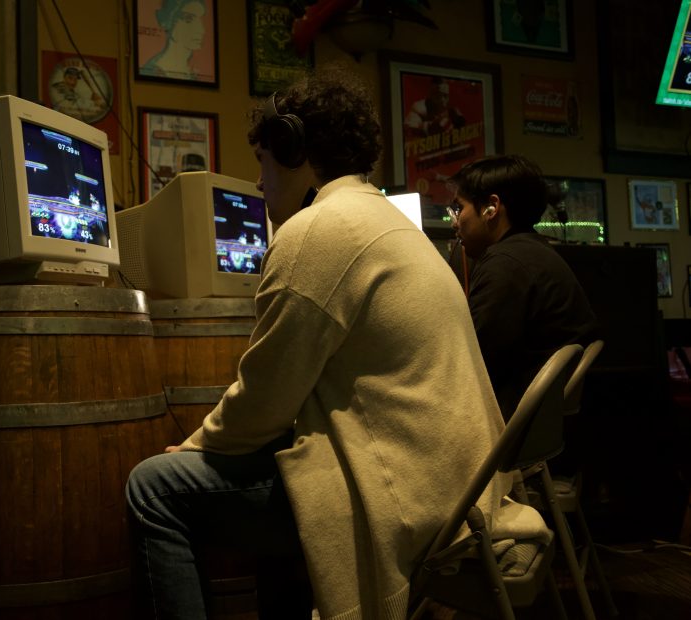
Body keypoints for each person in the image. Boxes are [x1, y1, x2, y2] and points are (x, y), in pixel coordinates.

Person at [126, 69, 550, 619]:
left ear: (294, 150)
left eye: (262, 161)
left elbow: (263, 403)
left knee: (153, 488)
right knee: (279, 462)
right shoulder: (392, 225)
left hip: (409, 497)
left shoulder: (316, 232)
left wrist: (191, 448)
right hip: (459, 485)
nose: (258, 182)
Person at [448, 154, 601, 420]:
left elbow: (470, 365)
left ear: (491, 208)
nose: (455, 221)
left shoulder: (506, 266)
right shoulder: (532, 252)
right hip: (544, 424)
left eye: (459, 208)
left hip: (509, 420)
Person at [141, 0, 207, 80]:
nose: (201, 30)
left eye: (200, 20)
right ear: (168, 22)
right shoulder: (152, 72)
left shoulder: (193, 73)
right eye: (188, 19)